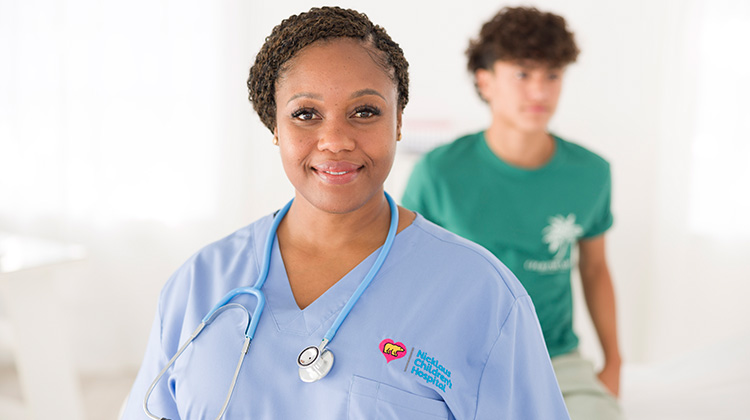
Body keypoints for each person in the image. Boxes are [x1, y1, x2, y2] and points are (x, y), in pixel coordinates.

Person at [121, 6, 569, 420]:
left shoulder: (482, 295)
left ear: (397, 122)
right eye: (305, 114)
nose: (335, 140)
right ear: (274, 126)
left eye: (364, 111)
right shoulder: (201, 283)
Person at [402, 6, 622, 420]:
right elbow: (405, 272)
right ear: (486, 81)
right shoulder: (439, 172)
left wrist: (614, 362)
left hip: (557, 359)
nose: (539, 92)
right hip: (457, 357)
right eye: (522, 74)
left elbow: (595, 269)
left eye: (552, 76)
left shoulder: (592, 173)